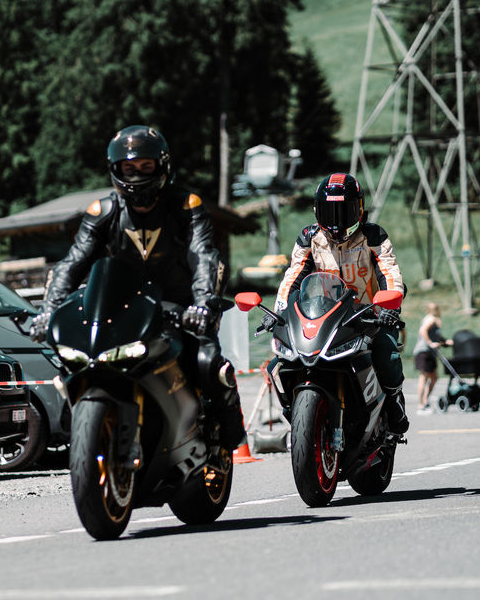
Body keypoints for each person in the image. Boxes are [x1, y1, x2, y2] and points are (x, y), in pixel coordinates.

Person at [29, 125, 245, 451]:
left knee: (207, 361)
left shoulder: (186, 205)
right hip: (124, 308)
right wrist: (49, 309)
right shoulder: (102, 212)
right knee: (80, 358)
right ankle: (84, 423)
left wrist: (203, 303)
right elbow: (71, 264)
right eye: (129, 168)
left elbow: (204, 256)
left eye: (146, 167)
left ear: (162, 167)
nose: (137, 175)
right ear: (115, 170)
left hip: (181, 307)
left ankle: (227, 433)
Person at [270, 172, 409, 433]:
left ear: (358, 209)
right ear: (316, 211)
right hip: (324, 316)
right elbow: (293, 277)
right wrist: (280, 312)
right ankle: (298, 412)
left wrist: (391, 307)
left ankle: (393, 400)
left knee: (385, 354)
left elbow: (389, 272)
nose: (336, 222)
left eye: (343, 212)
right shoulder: (309, 238)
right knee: (281, 361)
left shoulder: (373, 236)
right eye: (329, 212)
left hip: (369, 315)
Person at [412, 303, 451, 413]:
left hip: (430, 353)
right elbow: (423, 331)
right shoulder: (432, 319)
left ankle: (425, 400)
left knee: (434, 377)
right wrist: (430, 343)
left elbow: (436, 335)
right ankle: (421, 405)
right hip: (424, 351)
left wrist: (444, 341)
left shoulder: (431, 319)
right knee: (424, 378)